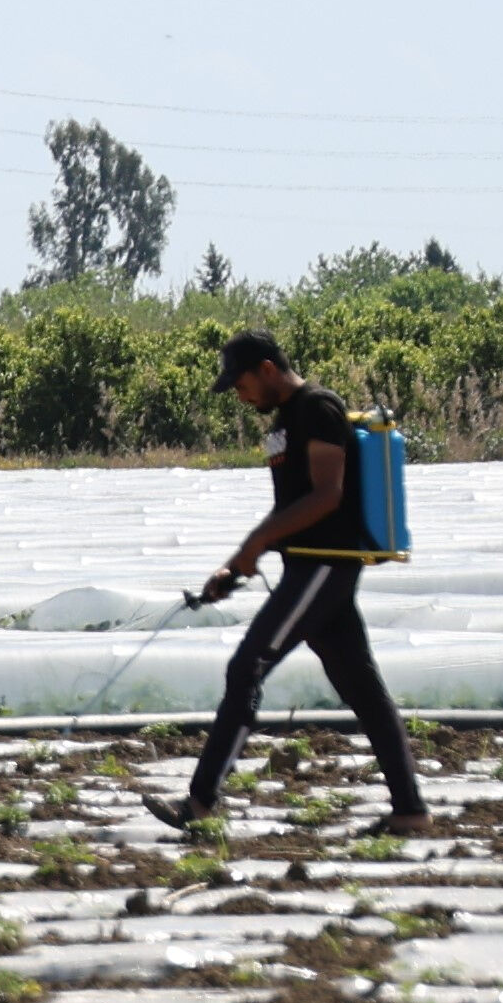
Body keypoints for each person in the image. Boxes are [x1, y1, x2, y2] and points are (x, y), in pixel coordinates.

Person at [155, 330, 422, 831]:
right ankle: (410, 811)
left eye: (241, 383)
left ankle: (200, 804)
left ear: (267, 369)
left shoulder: (318, 407)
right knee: (362, 690)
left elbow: (326, 497)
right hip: (305, 565)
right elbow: (288, 508)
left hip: (326, 565)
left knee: (246, 666)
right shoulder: (283, 423)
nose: (239, 394)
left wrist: (254, 545)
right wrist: (236, 566)